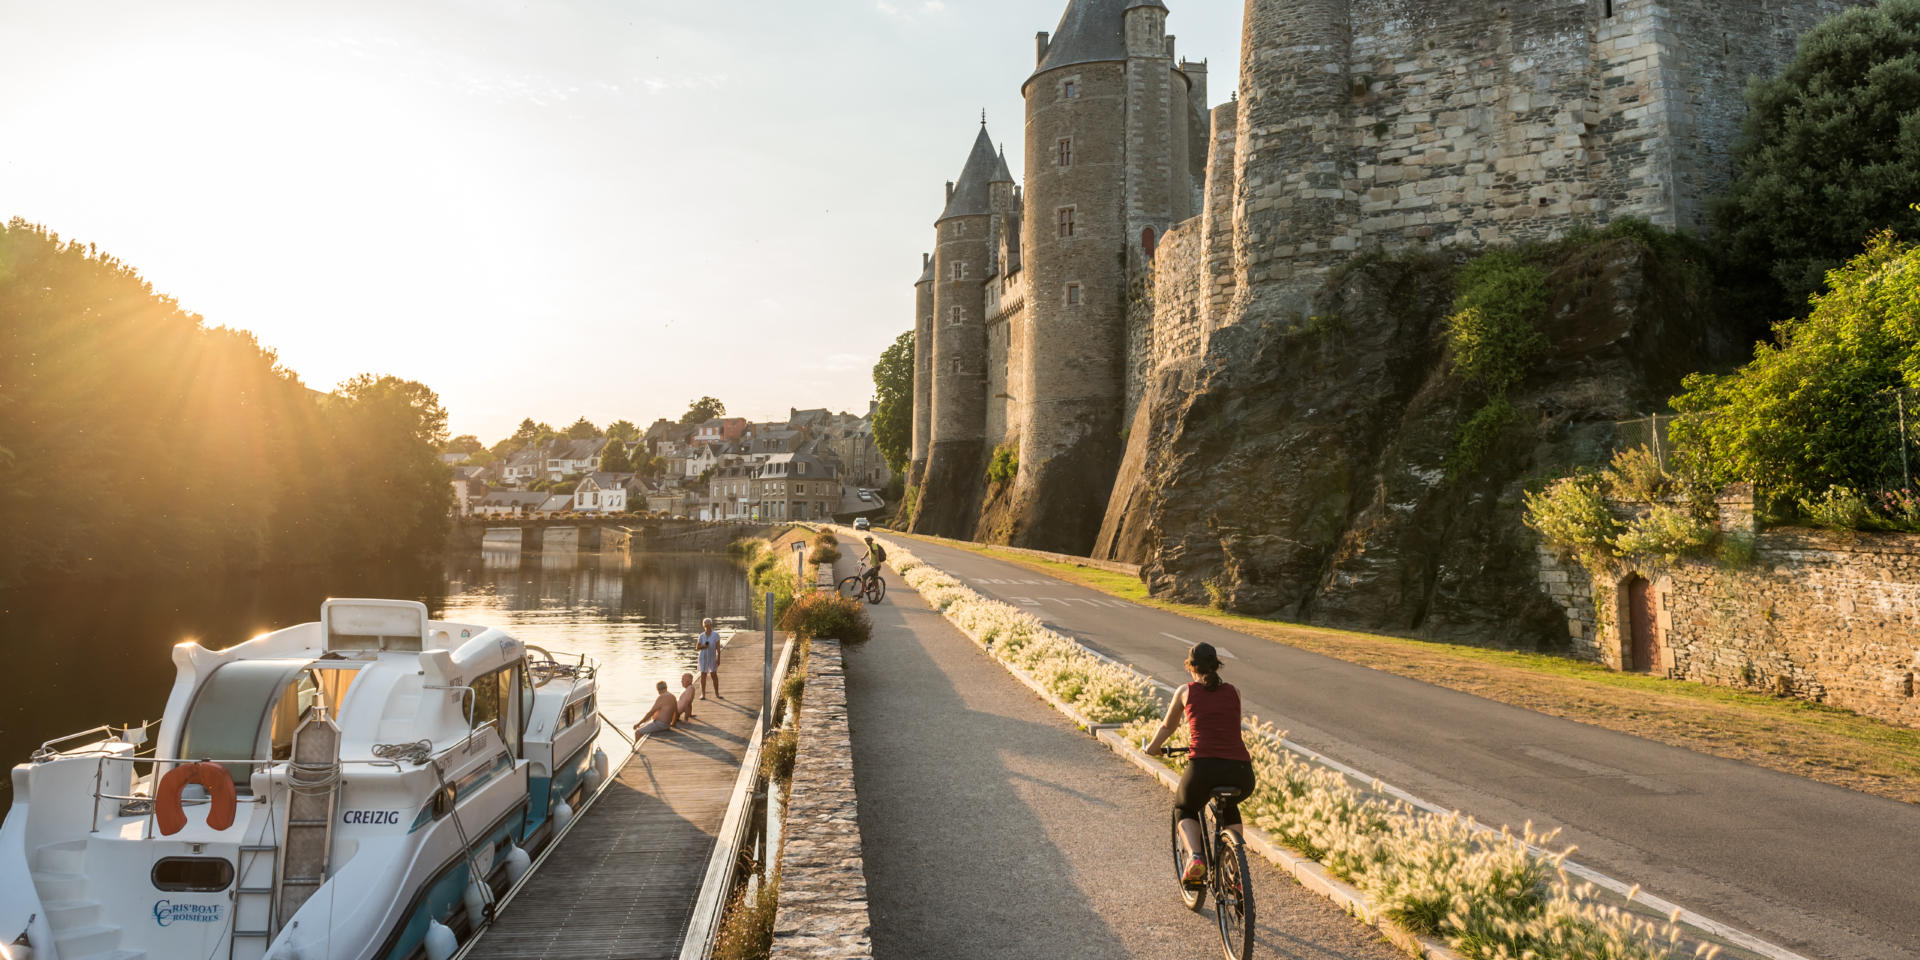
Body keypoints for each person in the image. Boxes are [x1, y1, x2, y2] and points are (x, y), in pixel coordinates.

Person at [1145, 642, 1255, 888]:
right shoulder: (1234, 691)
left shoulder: (1186, 691)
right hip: (1241, 772)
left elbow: (1168, 726)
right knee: (1229, 804)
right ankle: (1235, 863)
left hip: (1203, 769)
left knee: (1184, 807)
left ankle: (1196, 858)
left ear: (1190, 667)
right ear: (1217, 665)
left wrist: (1152, 748)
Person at [696, 618, 723, 699]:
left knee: (713, 674)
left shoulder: (716, 635)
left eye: (709, 624)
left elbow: (718, 648)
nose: (707, 626)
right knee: (703, 675)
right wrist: (704, 646)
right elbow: (697, 647)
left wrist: (718, 658)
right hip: (703, 657)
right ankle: (703, 694)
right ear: (703, 626)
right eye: (706, 625)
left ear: (711, 625)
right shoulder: (701, 635)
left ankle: (717, 693)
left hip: (712, 656)